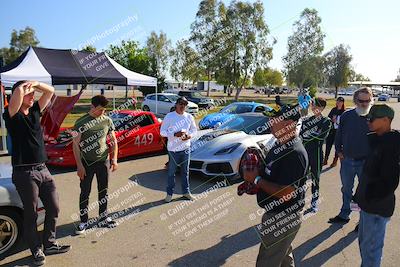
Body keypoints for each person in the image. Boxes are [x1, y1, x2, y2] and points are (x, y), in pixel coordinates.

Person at [3, 80, 70, 266]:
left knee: (54, 207)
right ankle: (36, 249)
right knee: (31, 214)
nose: (33, 96)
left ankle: (49, 243)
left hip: (43, 169)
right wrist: (23, 88)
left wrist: (37, 84)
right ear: (20, 95)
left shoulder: (34, 112)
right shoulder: (12, 115)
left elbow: (51, 91)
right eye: (30, 94)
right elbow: (17, 94)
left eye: (33, 93)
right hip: (24, 172)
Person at [243, 104, 308, 267]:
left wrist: (257, 179)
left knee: (267, 261)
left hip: (283, 218)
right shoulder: (279, 144)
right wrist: (257, 173)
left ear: (289, 124)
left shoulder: (294, 153)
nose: (270, 123)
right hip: (278, 215)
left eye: (275, 120)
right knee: (284, 259)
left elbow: (287, 193)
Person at [353, 104, 399, 267]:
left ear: (386, 120)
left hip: (377, 208)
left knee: (371, 251)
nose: (368, 122)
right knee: (365, 246)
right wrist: (360, 196)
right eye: (367, 118)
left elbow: (390, 181)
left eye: (371, 119)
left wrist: (370, 196)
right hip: (368, 206)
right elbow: (369, 174)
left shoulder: (391, 146)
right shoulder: (378, 141)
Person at [72, 95, 119, 234]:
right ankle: (84, 221)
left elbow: (114, 141)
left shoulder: (107, 120)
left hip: (103, 162)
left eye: (104, 110)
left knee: (103, 191)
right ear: (92, 107)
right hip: (86, 163)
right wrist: (79, 165)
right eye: (99, 110)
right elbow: (75, 145)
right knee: (85, 192)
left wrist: (114, 159)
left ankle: (103, 218)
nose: (102, 113)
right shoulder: (80, 122)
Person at [329, 87, 372, 225]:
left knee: (364, 191)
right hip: (347, 161)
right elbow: (339, 135)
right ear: (355, 100)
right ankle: (344, 214)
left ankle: (362, 221)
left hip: (366, 162)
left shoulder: (374, 118)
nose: (364, 104)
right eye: (361, 100)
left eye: (367, 100)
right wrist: (339, 152)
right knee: (346, 189)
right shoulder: (347, 116)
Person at [160, 97, 197, 202]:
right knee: (171, 173)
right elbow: (162, 132)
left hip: (186, 149)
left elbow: (194, 130)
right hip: (173, 150)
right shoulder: (169, 116)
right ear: (176, 105)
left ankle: (186, 192)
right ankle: (169, 194)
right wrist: (174, 134)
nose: (182, 106)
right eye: (180, 104)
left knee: (185, 172)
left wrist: (189, 136)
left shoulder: (189, 117)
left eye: (184, 104)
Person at [300, 97, 331, 213]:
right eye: (313, 105)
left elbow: (322, 136)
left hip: (317, 154)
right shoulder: (306, 120)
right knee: (301, 179)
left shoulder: (326, 121)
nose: (314, 108)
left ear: (322, 108)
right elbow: (302, 134)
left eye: (316, 106)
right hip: (305, 153)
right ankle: (300, 201)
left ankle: (314, 202)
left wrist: (310, 134)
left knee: (315, 179)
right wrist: (313, 133)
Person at [324, 97, 345, 167]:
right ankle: (325, 159)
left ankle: (335, 161)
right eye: (338, 101)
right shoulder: (333, 109)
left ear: (342, 103)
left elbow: (344, 123)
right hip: (331, 130)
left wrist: (338, 121)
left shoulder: (344, 112)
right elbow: (328, 118)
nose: (338, 103)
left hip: (339, 131)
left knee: (337, 146)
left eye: (340, 102)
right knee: (328, 144)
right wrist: (332, 120)